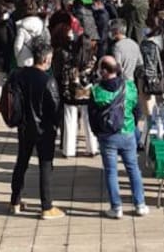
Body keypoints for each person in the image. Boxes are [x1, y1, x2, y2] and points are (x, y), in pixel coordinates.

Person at [8, 39, 64, 219]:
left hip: (24, 126)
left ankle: (15, 201)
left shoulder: (18, 75)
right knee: (45, 166)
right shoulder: (48, 80)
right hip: (44, 129)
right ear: (47, 59)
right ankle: (46, 206)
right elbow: (55, 107)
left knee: (21, 162)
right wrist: (57, 125)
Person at [89, 56, 148, 219]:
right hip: (127, 133)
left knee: (111, 172)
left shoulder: (96, 91)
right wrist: (132, 126)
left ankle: (116, 207)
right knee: (133, 169)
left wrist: (97, 133)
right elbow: (137, 110)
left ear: (103, 72)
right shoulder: (129, 86)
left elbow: (92, 117)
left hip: (107, 136)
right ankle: (140, 204)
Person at [53, 22, 98, 158]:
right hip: (87, 92)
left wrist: (65, 89)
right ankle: (92, 148)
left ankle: (68, 150)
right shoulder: (93, 60)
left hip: (71, 93)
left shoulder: (70, 59)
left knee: (69, 121)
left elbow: (65, 76)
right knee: (89, 121)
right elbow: (96, 76)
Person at [13, 0, 46, 68]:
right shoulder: (41, 24)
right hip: (39, 59)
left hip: (24, 60)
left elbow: (17, 46)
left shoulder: (21, 26)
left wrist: (17, 57)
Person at [108, 19, 142, 85]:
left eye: (111, 30)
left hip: (121, 83)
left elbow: (117, 67)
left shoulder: (117, 46)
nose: (110, 32)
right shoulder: (134, 44)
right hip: (132, 83)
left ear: (116, 31)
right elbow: (140, 63)